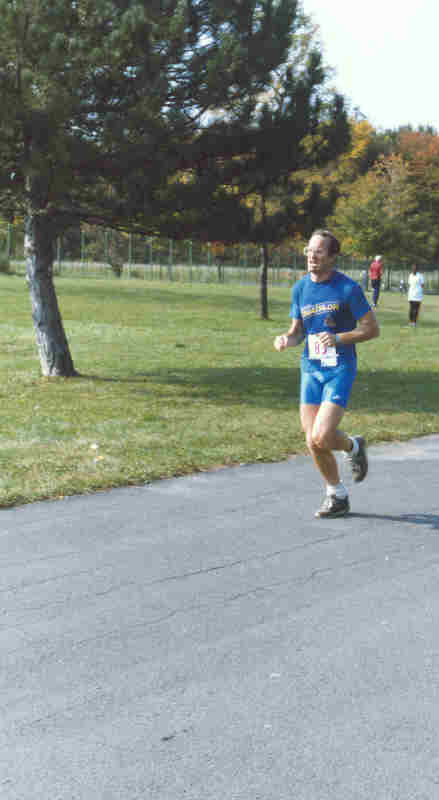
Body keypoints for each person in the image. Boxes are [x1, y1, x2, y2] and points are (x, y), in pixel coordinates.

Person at [274, 230, 380, 518]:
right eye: (309, 250)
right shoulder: (300, 289)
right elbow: (298, 333)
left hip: (340, 369)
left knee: (322, 435)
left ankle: (352, 446)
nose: (312, 256)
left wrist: (338, 338)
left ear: (332, 256)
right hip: (311, 369)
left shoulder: (348, 289)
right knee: (313, 440)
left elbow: (372, 329)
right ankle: (337, 495)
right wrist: (286, 339)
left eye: (319, 251)